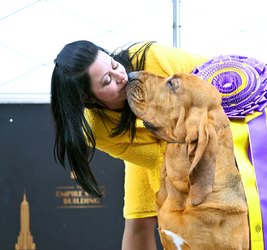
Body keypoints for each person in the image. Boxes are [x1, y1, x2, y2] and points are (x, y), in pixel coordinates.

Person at [51, 40, 208, 250]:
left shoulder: (151, 58)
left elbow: (208, 82)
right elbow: (157, 158)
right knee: (138, 221)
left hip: (207, 119)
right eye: (108, 81)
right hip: (155, 148)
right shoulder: (97, 128)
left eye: (114, 65)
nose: (122, 77)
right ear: (87, 98)